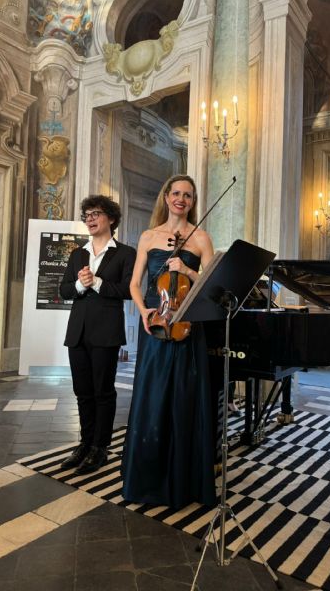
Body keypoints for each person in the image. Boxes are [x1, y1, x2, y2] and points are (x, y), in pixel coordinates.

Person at [122, 174, 217, 509]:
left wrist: (188, 271)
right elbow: (135, 284)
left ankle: (184, 480)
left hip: (188, 328)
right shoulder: (148, 236)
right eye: (176, 193)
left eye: (188, 195)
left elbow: (211, 285)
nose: (181, 199)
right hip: (156, 325)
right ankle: (148, 477)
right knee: (153, 398)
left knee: (183, 399)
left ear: (193, 201)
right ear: (166, 197)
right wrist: (144, 311)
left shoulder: (201, 237)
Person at [59, 195, 136, 475]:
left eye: (96, 214)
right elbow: (64, 290)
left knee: (103, 392)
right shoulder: (78, 254)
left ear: (111, 219)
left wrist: (99, 282)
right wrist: (80, 284)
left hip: (106, 332)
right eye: (87, 215)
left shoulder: (126, 253)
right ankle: (84, 443)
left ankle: (100, 448)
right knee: (82, 393)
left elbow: (129, 290)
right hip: (77, 332)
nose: (90, 219)